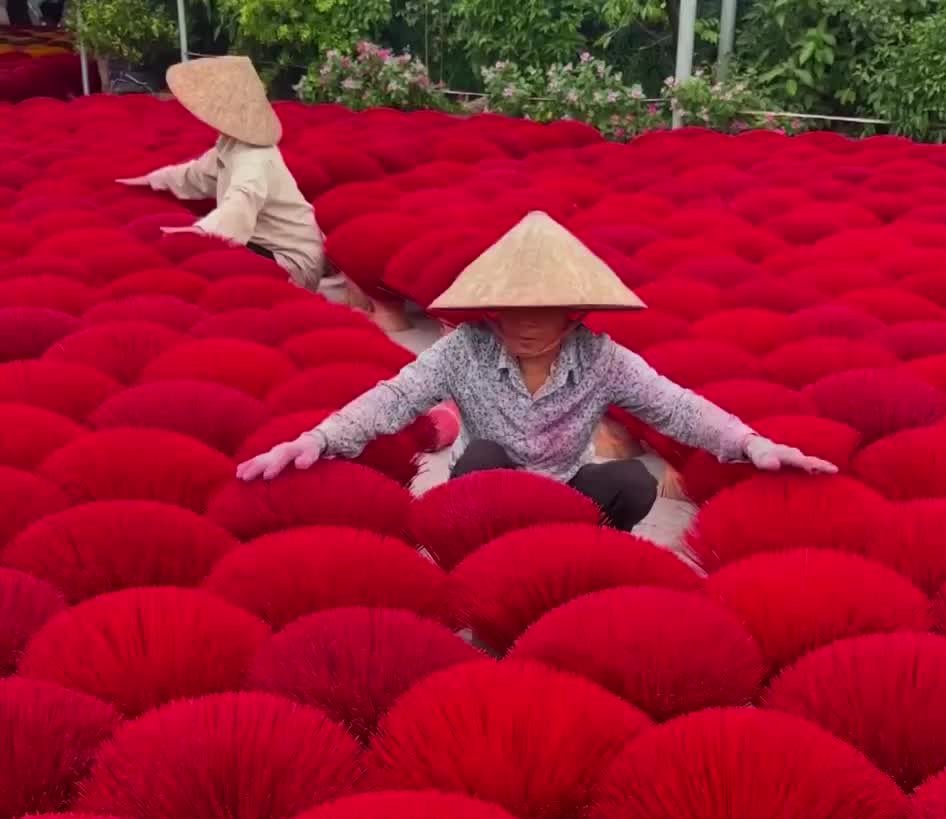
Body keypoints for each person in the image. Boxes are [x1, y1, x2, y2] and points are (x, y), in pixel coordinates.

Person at [236, 212, 836, 528]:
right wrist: (317, 437)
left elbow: (674, 404)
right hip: (484, 495)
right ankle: (483, 559)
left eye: (542, 313)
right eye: (511, 311)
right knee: (483, 457)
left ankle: (581, 559)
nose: (524, 325)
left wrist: (750, 443)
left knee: (630, 482)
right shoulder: (464, 349)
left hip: (567, 491)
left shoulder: (599, 357)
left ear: (572, 318)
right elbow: (394, 398)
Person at [117, 55, 325, 289]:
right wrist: (152, 180)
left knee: (204, 264)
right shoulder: (231, 143)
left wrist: (201, 232)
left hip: (292, 259)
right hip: (263, 245)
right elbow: (198, 173)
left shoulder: (254, 156)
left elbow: (241, 199)